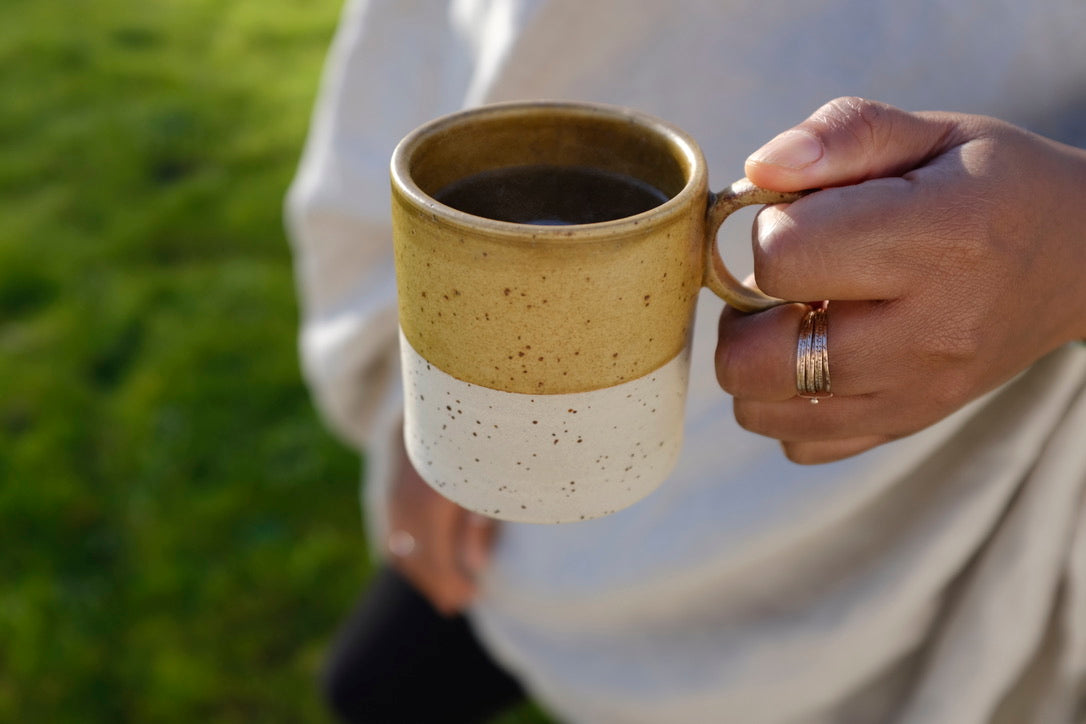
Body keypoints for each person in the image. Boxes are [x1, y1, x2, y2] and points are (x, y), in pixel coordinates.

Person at [285, 1, 1086, 722]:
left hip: (914, 525)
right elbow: (429, 45)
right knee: (370, 692)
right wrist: (418, 397)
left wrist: (1068, 254)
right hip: (493, 484)